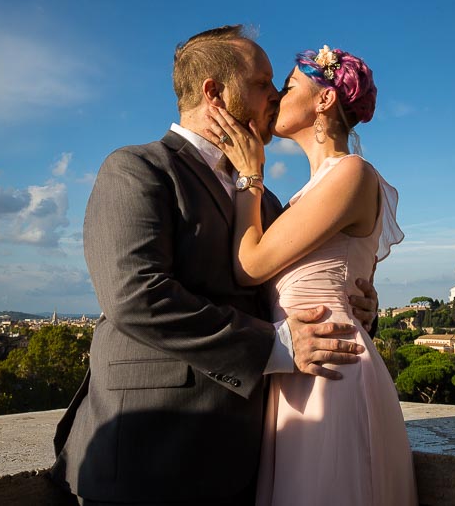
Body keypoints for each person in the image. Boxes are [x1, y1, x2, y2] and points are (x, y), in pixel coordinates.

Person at [50, 26, 380, 506]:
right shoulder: (139, 168)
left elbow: (301, 278)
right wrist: (275, 346)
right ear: (215, 93)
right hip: (151, 455)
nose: (276, 94)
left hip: (250, 457)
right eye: (264, 83)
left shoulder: (264, 199)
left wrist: (355, 304)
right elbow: (136, 297)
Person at [206, 45, 418, 506]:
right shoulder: (306, 194)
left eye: (289, 87)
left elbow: (250, 266)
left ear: (324, 101)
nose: (278, 97)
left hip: (332, 374)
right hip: (300, 368)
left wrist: (250, 175)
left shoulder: (352, 174)